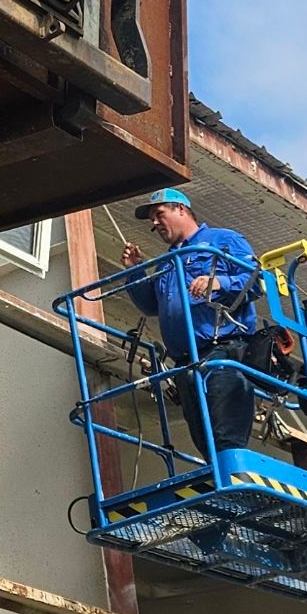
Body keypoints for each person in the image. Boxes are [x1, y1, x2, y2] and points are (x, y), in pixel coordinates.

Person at [117, 186, 263, 454]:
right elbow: (150, 306)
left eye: (159, 214)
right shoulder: (166, 263)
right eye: (152, 219)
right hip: (185, 363)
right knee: (205, 443)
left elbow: (255, 282)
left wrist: (219, 282)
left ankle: (233, 477)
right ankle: (221, 476)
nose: (154, 223)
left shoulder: (223, 240)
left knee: (226, 438)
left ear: (181, 209)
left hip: (223, 353)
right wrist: (135, 271)